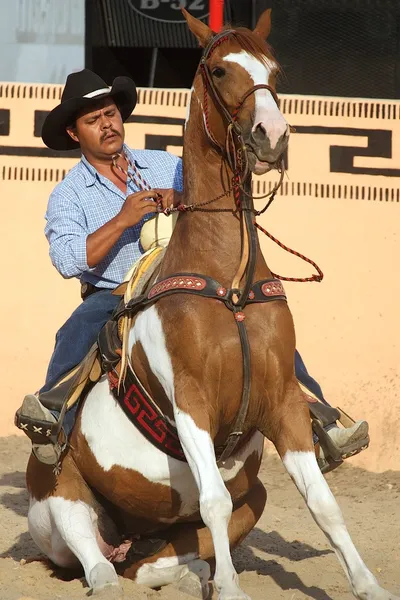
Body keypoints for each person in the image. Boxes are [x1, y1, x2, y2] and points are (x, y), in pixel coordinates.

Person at [16, 69, 369, 471]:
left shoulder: (163, 165)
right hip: (119, 293)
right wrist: (121, 219)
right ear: (75, 134)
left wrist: (182, 196)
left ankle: (320, 421)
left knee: (262, 325)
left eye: (110, 113)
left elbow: (218, 201)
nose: (107, 125)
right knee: (79, 326)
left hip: (189, 285)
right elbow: (67, 259)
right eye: (93, 120)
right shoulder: (68, 194)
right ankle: (53, 416)